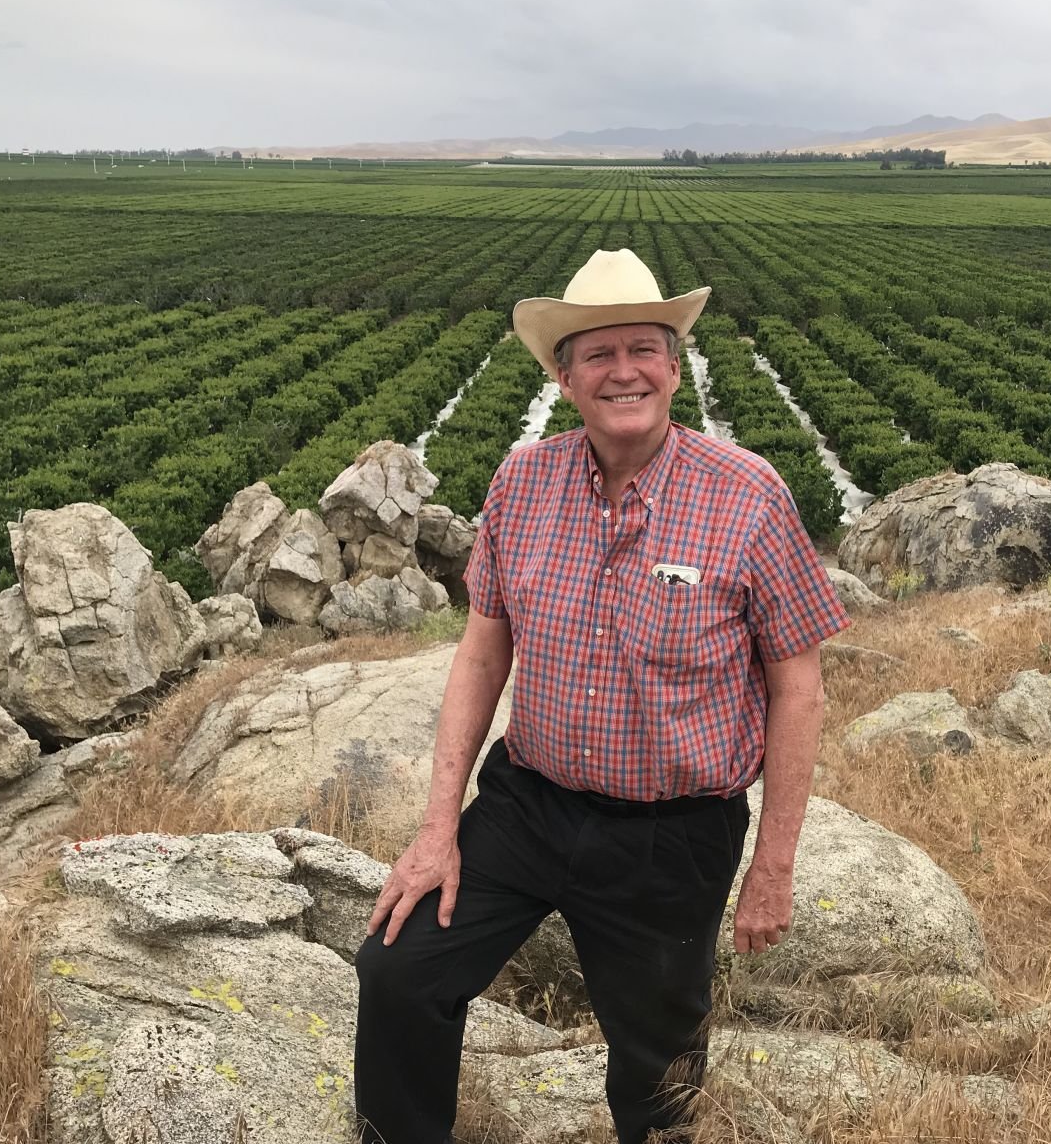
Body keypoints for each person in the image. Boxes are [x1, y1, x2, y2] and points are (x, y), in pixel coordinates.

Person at [354, 249, 850, 1144]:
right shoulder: (521, 482)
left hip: (673, 836)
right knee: (400, 970)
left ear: (674, 367)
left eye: (643, 349)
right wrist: (437, 828)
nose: (625, 370)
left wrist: (772, 865)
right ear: (565, 376)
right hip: (527, 804)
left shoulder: (749, 496)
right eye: (599, 353)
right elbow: (482, 653)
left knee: (656, 1079)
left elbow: (799, 687)